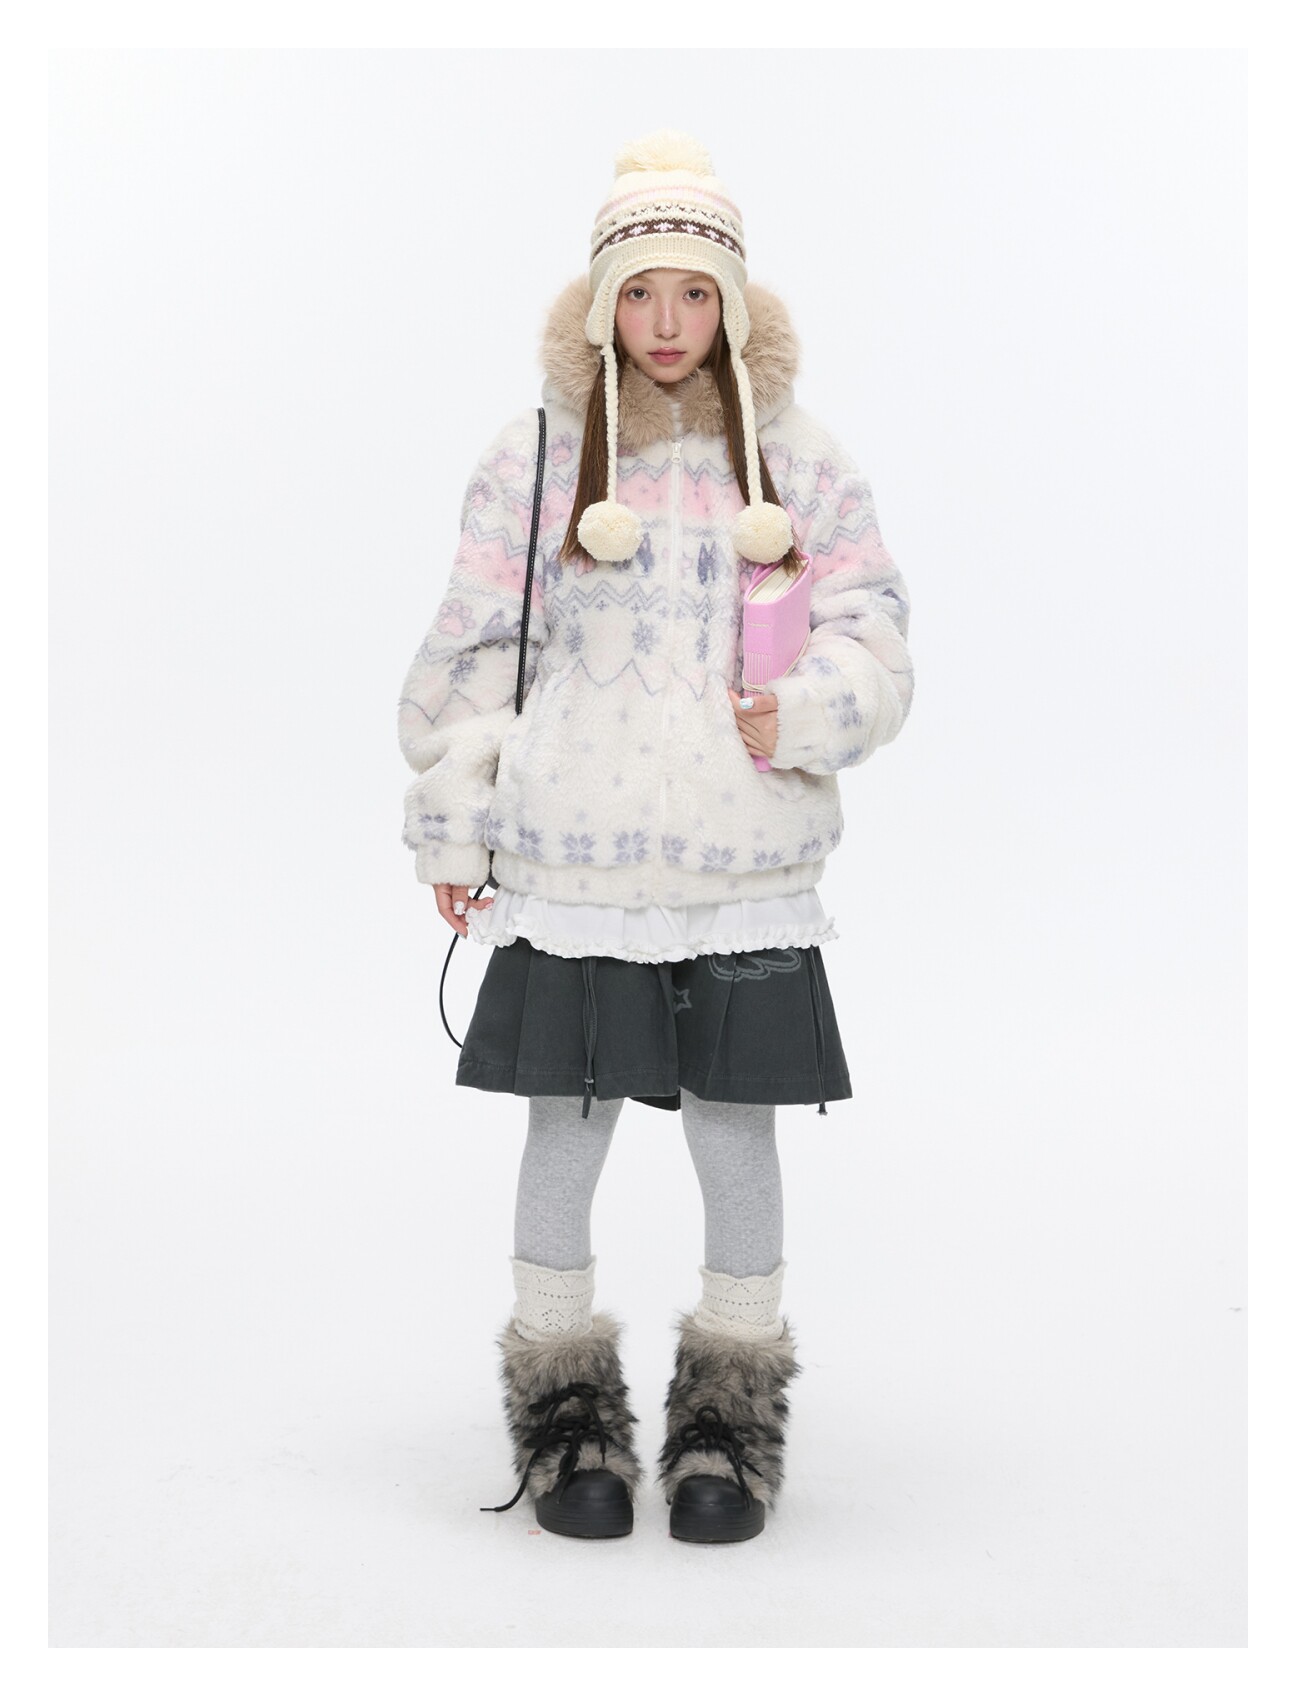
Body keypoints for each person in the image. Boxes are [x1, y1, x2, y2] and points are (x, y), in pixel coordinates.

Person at [396, 130, 915, 1544]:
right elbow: (472, 650)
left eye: (694, 293)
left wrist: (807, 710)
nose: (668, 321)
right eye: (640, 293)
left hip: (745, 874)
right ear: (601, 303)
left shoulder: (799, 462)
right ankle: (565, 1418)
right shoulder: (537, 459)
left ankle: (727, 1429)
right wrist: (457, 826)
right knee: (565, 1131)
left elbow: (874, 625)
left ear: (732, 302)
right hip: (573, 869)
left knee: (737, 1134)